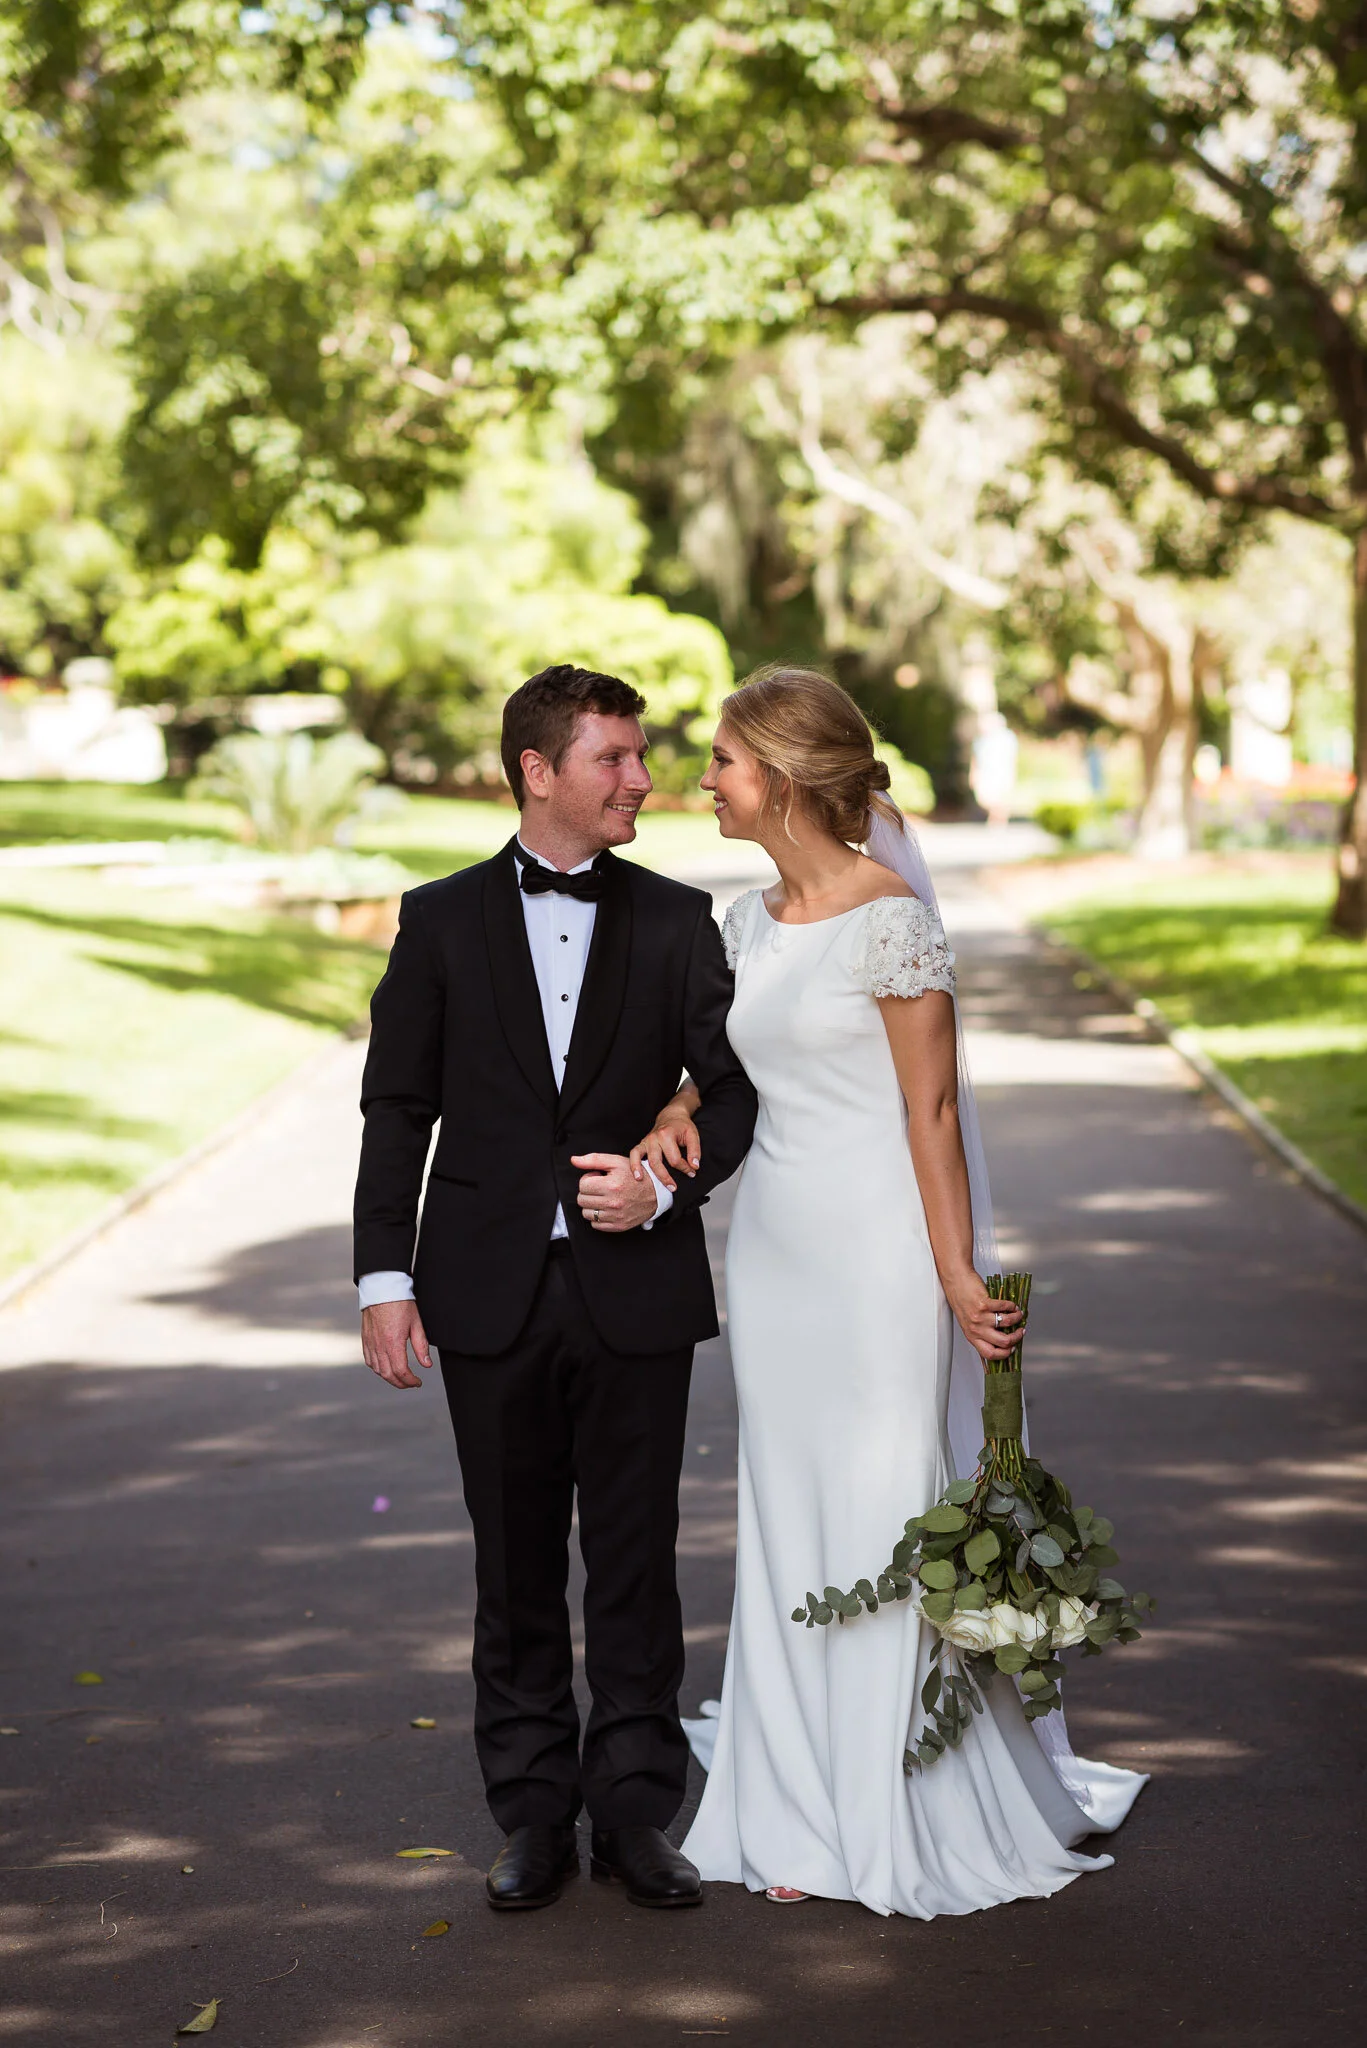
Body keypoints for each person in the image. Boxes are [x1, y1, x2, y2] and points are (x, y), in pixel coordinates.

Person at [632, 664, 1146, 1917]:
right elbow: (726, 1062)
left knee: (878, 1505)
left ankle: (887, 1794)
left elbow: (928, 1109)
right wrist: (673, 1104)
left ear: (788, 777)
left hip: (875, 1256)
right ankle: (790, 1791)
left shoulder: (893, 921)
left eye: (723, 760)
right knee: (784, 1507)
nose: (704, 778)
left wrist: (955, 1271)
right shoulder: (743, 922)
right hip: (771, 1254)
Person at [353, 664, 757, 1912]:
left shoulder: (682, 919)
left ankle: (637, 1813)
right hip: (483, 1292)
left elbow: (732, 1093)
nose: (642, 778)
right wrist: (383, 1275)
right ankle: (530, 1811)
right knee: (514, 1564)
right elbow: (396, 1108)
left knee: (634, 1562)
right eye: (615, 759)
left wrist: (665, 1187)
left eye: (640, 757)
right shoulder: (435, 919)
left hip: (635, 1289)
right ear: (539, 771)